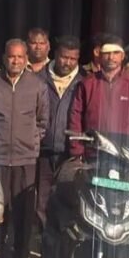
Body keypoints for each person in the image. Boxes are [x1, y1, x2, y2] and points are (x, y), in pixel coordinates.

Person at [0, 39, 49, 258]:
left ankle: (21, 257)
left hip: (25, 159)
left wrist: (30, 142)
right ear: (3, 58)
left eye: (20, 57)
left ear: (26, 59)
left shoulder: (37, 85)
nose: (16, 61)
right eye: (12, 56)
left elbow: (42, 121)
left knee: (24, 211)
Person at [68, 36, 129, 160]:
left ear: (122, 56)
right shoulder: (87, 83)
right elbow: (75, 117)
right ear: (99, 55)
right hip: (93, 154)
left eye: (116, 53)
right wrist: (77, 151)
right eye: (107, 53)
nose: (111, 57)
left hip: (124, 156)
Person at [35, 35, 83, 231]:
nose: (67, 63)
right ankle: (44, 240)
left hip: (69, 153)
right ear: (55, 54)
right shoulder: (38, 79)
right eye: (64, 57)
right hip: (43, 152)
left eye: (73, 59)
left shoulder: (83, 82)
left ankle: (62, 244)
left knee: (67, 201)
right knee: (42, 201)